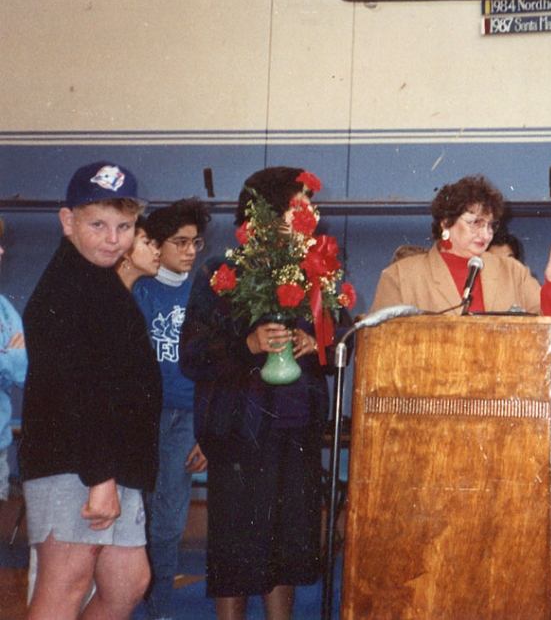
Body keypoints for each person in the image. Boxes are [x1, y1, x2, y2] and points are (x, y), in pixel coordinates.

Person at [181, 167, 329, 620]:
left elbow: (337, 336)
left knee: (287, 546)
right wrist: (248, 345)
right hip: (242, 435)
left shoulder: (312, 270)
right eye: (298, 205)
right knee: (236, 550)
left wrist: (315, 343)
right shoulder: (219, 272)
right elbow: (193, 354)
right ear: (264, 215)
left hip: (298, 431)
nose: (310, 213)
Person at [19, 162, 163, 619]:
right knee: (65, 586)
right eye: (97, 224)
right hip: (76, 465)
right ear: (68, 222)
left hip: (114, 465)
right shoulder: (65, 289)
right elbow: (74, 392)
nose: (111, 238)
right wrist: (100, 478)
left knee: (128, 583)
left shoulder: (101, 282)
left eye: (123, 227)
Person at [134, 199, 211, 620]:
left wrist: (206, 430)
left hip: (187, 417)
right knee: (133, 520)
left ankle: (158, 611)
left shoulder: (205, 293)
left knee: (165, 526)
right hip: (144, 418)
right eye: (179, 242)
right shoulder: (139, 288)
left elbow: (218, 369)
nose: (190, 250)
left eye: (195, 241)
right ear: (156, 246)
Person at [371, 174, 551, 317]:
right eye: (476, 223)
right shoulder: (400, 277)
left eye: (490, 225)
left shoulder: (513, 272)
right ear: (446, 222)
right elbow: (378, 342)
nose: (486, 233)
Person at [0, 217, 28, 502]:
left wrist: (9, 358)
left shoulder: (4, 310)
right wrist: (10, 355)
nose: (1, 252)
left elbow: (24, 371)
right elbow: (14, 362)